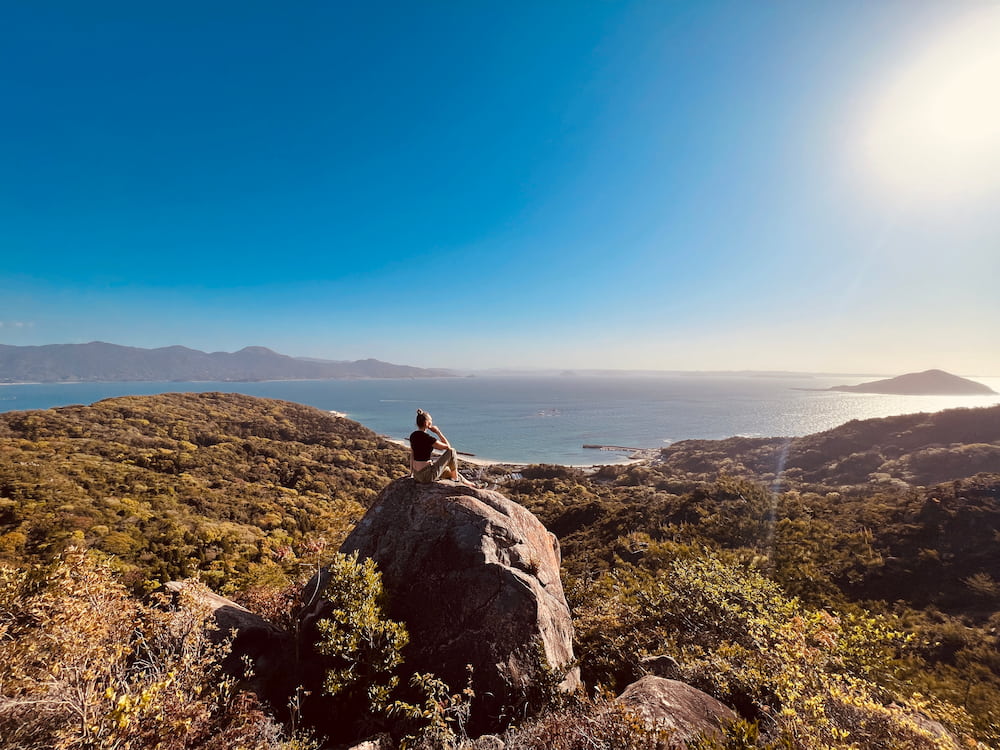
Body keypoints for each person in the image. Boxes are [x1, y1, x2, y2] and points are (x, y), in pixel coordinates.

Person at [409, 409, 482, 487]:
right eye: (431, 420)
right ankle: (456, 480)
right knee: (452, 451)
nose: (432, 422)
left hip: (417, 475)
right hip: (427, 476)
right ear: (427, 423)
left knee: (448, 470)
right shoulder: (428, 438)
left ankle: (472, 485)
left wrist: (411, 474)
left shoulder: (413, 436)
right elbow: (448, 448)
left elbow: (412, 455)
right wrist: (438, 432)